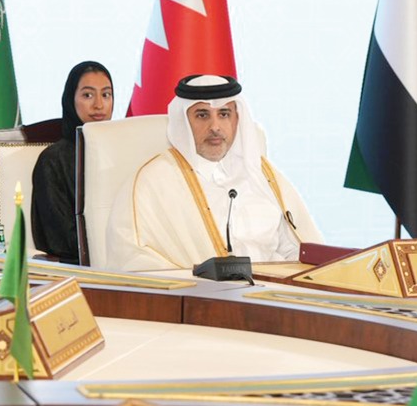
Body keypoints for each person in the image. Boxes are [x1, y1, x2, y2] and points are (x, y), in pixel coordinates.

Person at [105, 74, 321, 271]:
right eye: (202, 115)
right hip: (198, 296)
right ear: (183, 122)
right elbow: (131, 258)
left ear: (236, 120)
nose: (215, 126)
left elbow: (298, 250)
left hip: (273, 293)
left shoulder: (262, 174)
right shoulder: (154, 181)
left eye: (224, 114)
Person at [31, 61, 114, 263]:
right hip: (75, 267)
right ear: (70, 99)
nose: (99, 105)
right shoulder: (52, 160)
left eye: (106, 95)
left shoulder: (122, 152)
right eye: (88, 95)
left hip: (125, 261)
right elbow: (59, 238)